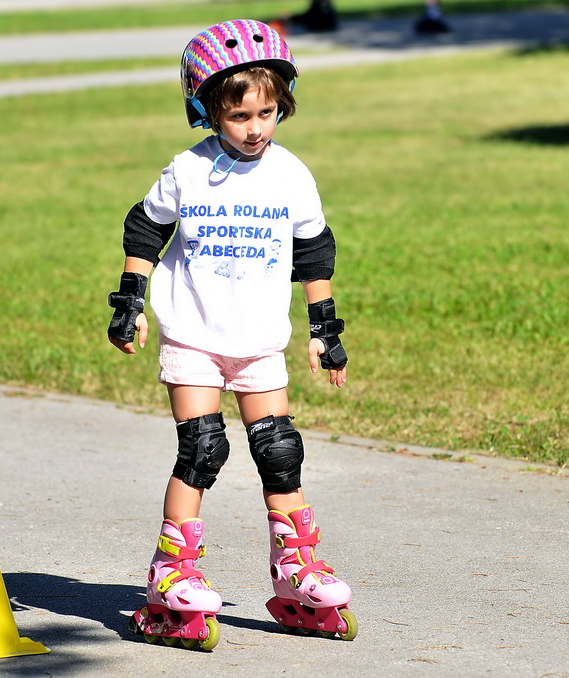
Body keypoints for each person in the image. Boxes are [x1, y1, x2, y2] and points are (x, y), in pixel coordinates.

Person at [106, 19, 357, 650]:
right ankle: (173, 576)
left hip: (260, 341)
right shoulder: (188, 171)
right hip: (192, 335)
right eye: (241, 115)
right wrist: (130, 300)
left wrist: (324, 329)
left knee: (279, 451)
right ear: (208, 109)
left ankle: (297, 569)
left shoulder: (292, 175)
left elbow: (315, 250)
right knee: (203, 450)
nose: (256, 128)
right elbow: (144, 226)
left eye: (268, 113)